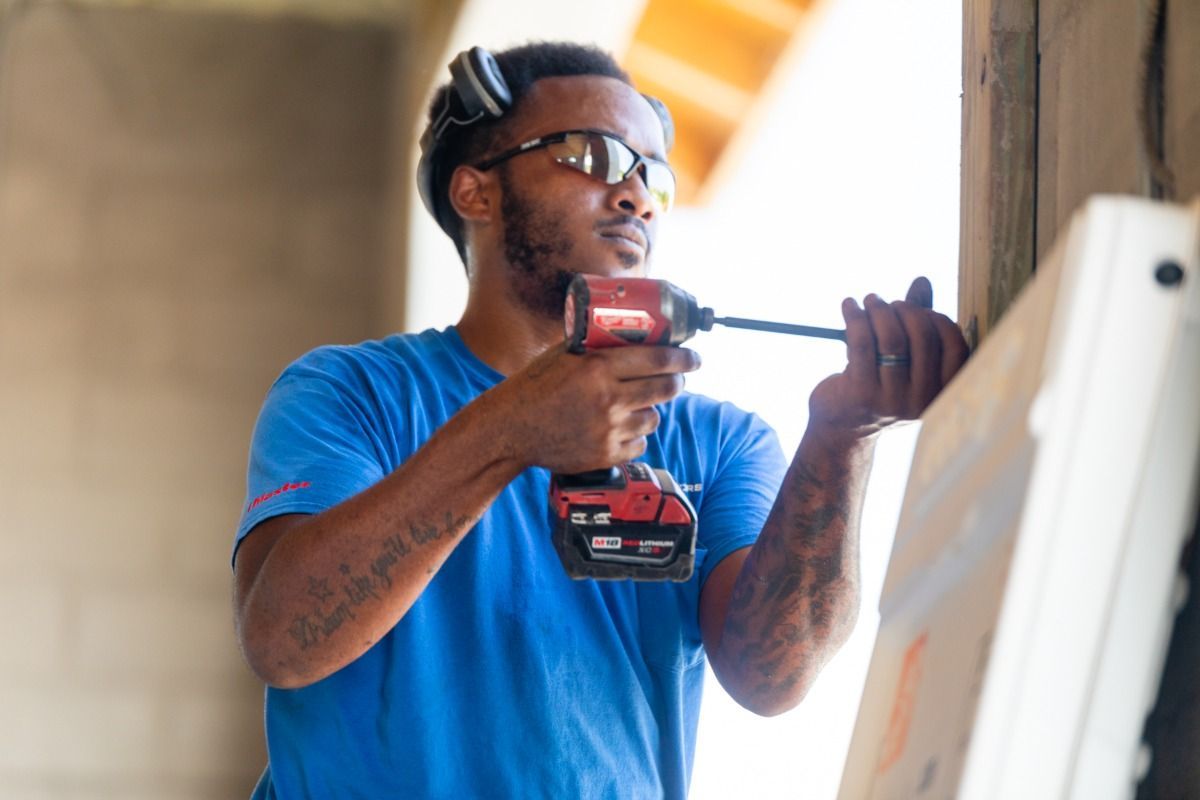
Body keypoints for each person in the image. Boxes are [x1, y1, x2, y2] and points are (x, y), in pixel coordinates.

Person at [231, 41, 968, 799]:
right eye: (595, 155)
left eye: (653, 176)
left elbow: (771, 676)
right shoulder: (351, 393)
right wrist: (513, 428)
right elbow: (285, 639)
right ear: (474, 193)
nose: (638, 197)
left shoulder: (717, 441)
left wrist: (843, 439)